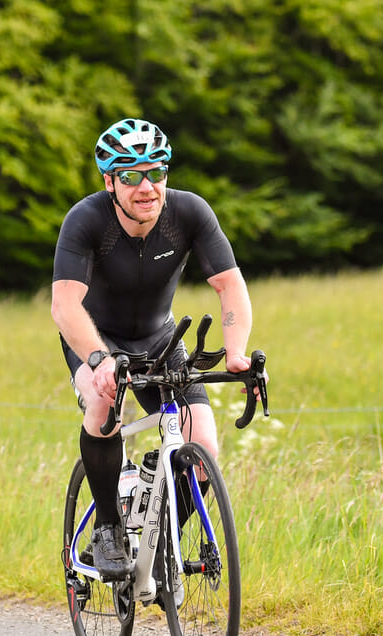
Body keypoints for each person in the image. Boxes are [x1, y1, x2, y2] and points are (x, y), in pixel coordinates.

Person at [51, 117, 254, 581]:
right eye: (130, 176)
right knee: (104, 407)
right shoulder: (86, 221)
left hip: (159, 336)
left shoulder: (189, 213)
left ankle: (162, 544)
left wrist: (237, 352)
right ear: (109, 181)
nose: (146, 187)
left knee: (203, 441)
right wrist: (99, 360)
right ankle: (107, 527)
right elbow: (64, 306)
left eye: (156, 173)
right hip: (95, 337)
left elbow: (229, 285)